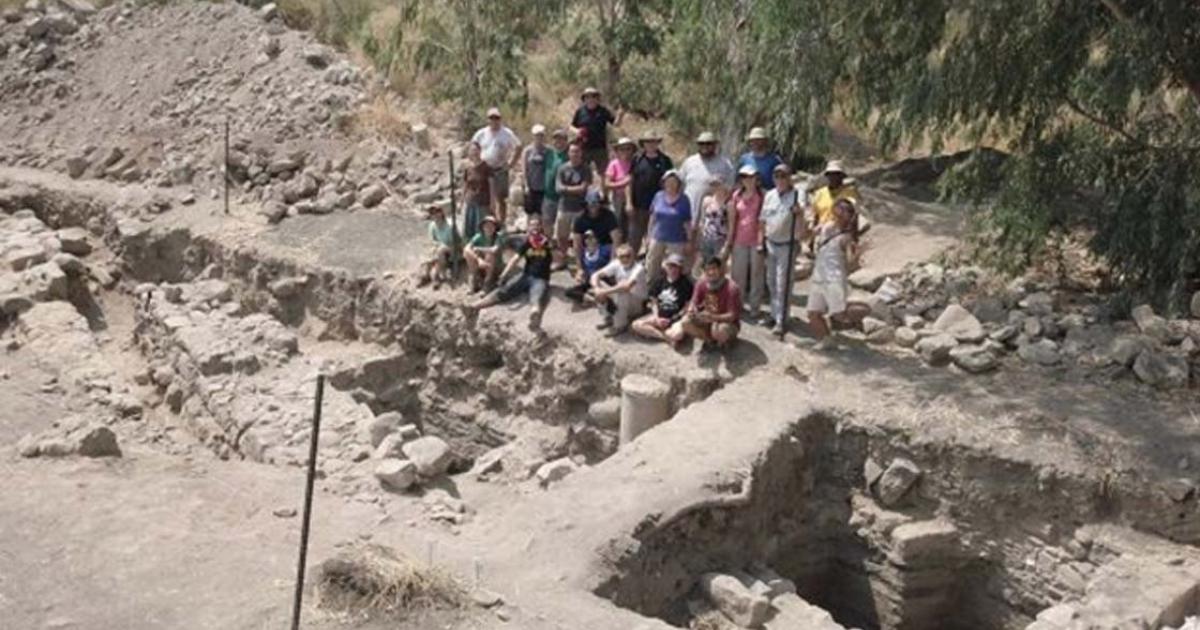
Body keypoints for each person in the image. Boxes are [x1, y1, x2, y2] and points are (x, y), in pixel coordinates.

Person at [468, 214, 555, 330]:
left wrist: (550, 246)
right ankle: (476, 305)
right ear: (528, 228)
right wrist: (503, 275)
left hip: (541, 278)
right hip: (526, 275)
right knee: (505, 290)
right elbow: (514, 259)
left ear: (541, 227)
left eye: (537, 225)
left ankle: (535, 316)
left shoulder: (547, 243)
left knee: (536, 297)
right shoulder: (527, 243)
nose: (534, 228)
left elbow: (557, 254)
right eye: (532, 225)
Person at [807, 198, 860, 347]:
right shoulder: (826, 227)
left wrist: (856, 256)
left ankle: (861, 314)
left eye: (846, 211)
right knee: (813, 313)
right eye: (840, 209)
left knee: (838, 314)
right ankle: (826, 340)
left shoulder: (847, 237)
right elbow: (806, 235)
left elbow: (851, 263)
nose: (842, 213)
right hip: (819, 275)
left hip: (834, 278)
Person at [759, 164, 804, 334]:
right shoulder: (770, 195)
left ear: (789, 178)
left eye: (784, 176)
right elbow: (763, 219)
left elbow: (802, 220)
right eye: (777, 176)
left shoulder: (797, 195)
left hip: (787, 244)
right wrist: (761, 240)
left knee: (783, 283)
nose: (780, 179)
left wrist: (798, 213)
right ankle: (773, 314)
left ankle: (782, 319)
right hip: (771, 243)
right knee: (771, 281)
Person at [675, 256, 742, 350]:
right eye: (707, 269)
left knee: (719, 331)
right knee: (685, 322)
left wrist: (713, 318)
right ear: (703, 271)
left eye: (714, 268)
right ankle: (709, 340)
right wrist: (692, 309)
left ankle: (726, 340)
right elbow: (694, 301)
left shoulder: (732, 288)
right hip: (707, 318)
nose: (711, 272)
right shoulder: (701, 283)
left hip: (727, 322)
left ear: (720, 269)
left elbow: (732, 316)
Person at [727, 164, 765, 323]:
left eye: (751, 177)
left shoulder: (762, 196)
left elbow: (764, 220)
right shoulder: (736, 195)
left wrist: (762, 241)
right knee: (738, 274)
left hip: (756, 240)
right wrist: (730, 239)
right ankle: (738, 304)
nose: (748, 180)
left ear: (756, 178)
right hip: (740, 239)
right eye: (744, 177)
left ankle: (755, 307)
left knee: (756, 274)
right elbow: (732, 219)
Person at [470, 107, 522, 226]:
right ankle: (487, 223)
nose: (494, 120)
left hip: (500, 169)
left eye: (496, 118)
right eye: (491, 118)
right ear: (488, 119)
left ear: (500, 119)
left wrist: (511, 163)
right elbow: (473, 146)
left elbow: (518, 146)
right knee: (485, 197)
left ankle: (501, 223)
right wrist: (474, 162)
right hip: (484, 170)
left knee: (501, 198)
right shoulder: (481, 133)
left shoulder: (506, 133)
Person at [632, 253, 694, 346]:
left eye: (676, 267)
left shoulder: (686, 284)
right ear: (666, 267)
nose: (673, 269)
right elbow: (653, 302)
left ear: (680, 268)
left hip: (676, 318)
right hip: (659, 315)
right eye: (671, 266)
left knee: (678, 335)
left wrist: (673, 319)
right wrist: (657, 318)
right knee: (636, 325)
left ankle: (658, 334)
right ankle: (665, 337)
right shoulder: (659, 281)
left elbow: (687, 305)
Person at [628, 130, 673, 255]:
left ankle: (649, 266)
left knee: (654, 239)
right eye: (648, 141)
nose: (651, 144)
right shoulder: (637, 159)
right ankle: (630, 265)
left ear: (657, 143)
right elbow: (630, 181)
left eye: (654, 141)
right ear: (643, 143)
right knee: (634, 238)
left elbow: (670, 184)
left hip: (658, 207)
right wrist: (629, 202)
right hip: (638, 206)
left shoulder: (665, 161)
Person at [645, 170, 693, 285]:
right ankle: (652, 287)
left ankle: (675, 289)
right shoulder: (658, 196)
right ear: (664, 182)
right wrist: (648, 235)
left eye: (674, 181)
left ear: (678, 184)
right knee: (652, 264)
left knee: (675, 266)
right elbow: (652, 217)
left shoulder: (684, 199)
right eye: (668, 181)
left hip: (676, 239)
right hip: (658, 237)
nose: (671, 184)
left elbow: (687, 222)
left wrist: (689, 241)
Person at [678, 131, 735, 225]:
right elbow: (679, 184)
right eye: (701, 143)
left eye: (708, 143)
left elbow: (731, 188)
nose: (705, 146)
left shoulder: (725, 164)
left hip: (713, 220)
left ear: (715, 145)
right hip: (689, 215)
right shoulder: (689, 162)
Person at [590, 244, 647, 335]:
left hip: (636, 302)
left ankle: (620, 325)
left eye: (628, 256)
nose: (625, 259)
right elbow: (595, 275)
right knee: (599, 285)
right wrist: (597, 289)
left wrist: (604, 292)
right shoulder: (616, 263)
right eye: (621, 256)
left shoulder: (639, 269)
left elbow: (626, 286)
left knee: (622, 292)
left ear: (633, 256)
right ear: (617, 256)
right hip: (622, 296)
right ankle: (608, 318)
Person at [554, 143, 592, 265]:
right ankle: (562, 259)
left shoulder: (585, 168)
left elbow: (584, 188)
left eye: (577, 151)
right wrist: (573, 189)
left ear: (581, 153)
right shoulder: (562, 168)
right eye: (572, 151)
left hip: (579, 208)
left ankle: (580, 262)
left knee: (579, 237)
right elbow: (558, 188)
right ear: (568, 153)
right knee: (561, 236)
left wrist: (566, 189)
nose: (574, 154)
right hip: (563, 207)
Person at [571, 87, 619, 175]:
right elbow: (572, 126)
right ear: (584, 99)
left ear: (597, 98)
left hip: (600, 148)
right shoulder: (580, 111)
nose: (590, 99)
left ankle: (604, 189)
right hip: (584, 148)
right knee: (582, 173)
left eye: (593, 96)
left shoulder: (603, 111)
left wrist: (621, 114)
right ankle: (583, 188)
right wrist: (577, 131)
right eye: (587, 97)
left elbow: (615, 124)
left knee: (604, 174)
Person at [417, 204, 458, 289]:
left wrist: (440, 246)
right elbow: (432, 240)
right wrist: (435, 246)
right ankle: (426, 275)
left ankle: (437, 276)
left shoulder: (449, 226)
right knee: (431, 249)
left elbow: (454, 243)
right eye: (432, 213)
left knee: (441, 250)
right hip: (439, 248)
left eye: (437, 212)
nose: (435, 215)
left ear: (441, 213)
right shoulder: (432, 225)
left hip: (452, 248)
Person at [572, 189, 621, 259]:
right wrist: (579, 267)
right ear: (586, 204)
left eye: (595, 203)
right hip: (589, 249)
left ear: (599, 203)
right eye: (591, 203)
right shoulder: (579, 218)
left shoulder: (609, 215)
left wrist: (612, 262)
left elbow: (616, 239)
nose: (593, 205)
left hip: (606, 249)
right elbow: (577, 244)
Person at [565, 229, 612, 301]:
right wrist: (579, 274)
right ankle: (593, 299)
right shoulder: (583, 252)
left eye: (592, 237)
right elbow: (574, 266)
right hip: (589, 281)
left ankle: (599, 296)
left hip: (602, 280)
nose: (589, 240)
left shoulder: (605, 249)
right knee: (568, 291)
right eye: (587, 237)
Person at [809, 160, 859, 227]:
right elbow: (814, 216)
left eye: (837, 174)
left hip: (842, 231)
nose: (833, 177)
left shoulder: (849, 193)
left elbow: (853, 215)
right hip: (822, 232)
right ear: (827, 176)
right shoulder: (819, 193)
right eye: (831, 174)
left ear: (842, 176)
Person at [464, 215, 505, 293]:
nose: (489, 228)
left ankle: (487, 284)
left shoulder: (498, 237)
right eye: (486, 226)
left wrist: (479, 248)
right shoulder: (479, 236)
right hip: (481, 263)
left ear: (495, 228)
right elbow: (467, 248)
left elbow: (494, 250)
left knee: (490, 254)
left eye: (492, 226)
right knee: (468, 252)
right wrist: (479, 260)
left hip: (495, 266)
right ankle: (474, 281)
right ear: (483, 227)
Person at [697, 176, 731, 264]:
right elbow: (702, 220)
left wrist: (727, 245)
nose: (715, 187)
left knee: (720, 265)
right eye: (713, 185)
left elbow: (731, 226)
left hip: (721, 240)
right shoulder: (707, 200)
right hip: (707, 238)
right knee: (706, 264)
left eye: (718, 184)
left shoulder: (729, 203)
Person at [604, 137, 635, 231]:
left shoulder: (636, 163)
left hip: (634, 197)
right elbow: (607, 184)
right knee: (616, 222)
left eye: (628, 149)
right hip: (617, 197)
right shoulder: (613, 164)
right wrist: (623, 183)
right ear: (617, 151)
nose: (625, 151)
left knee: (632, 224)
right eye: (622, 149)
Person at [462, 141, 492, 242]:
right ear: (469, 152)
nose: (474, 152)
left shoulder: (486, 167)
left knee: (480, 228)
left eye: (476, 150)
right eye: (472, 150)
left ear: (480, 151)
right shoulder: (468, 167)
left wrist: (493, 202)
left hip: (482, 203)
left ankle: (481, 249)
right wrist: (461, 201)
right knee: (468, 228)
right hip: (470, 201)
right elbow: (466, 185)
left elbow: (492, 186)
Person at [541, 128, 570, 231]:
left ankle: (560, 245)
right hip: (548, 195)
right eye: (556, 139)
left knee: (561, 225)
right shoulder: (549, 153)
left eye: (561, 139)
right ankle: (549, 244)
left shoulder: (569, 155)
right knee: (546, 221)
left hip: (563, 196)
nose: (558, 141)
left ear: (566, 141)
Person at [521, 124, 549, 219]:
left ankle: (540, 232)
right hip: (531, 186)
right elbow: (524, 169)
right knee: (530, 212)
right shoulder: (527, 151)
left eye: (541, 135)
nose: (539, 137)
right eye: (537, 135)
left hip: (543, 187)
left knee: (542, 212)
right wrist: (526, 185)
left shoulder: (548, 151)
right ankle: (530, 232)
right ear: (533, 136)